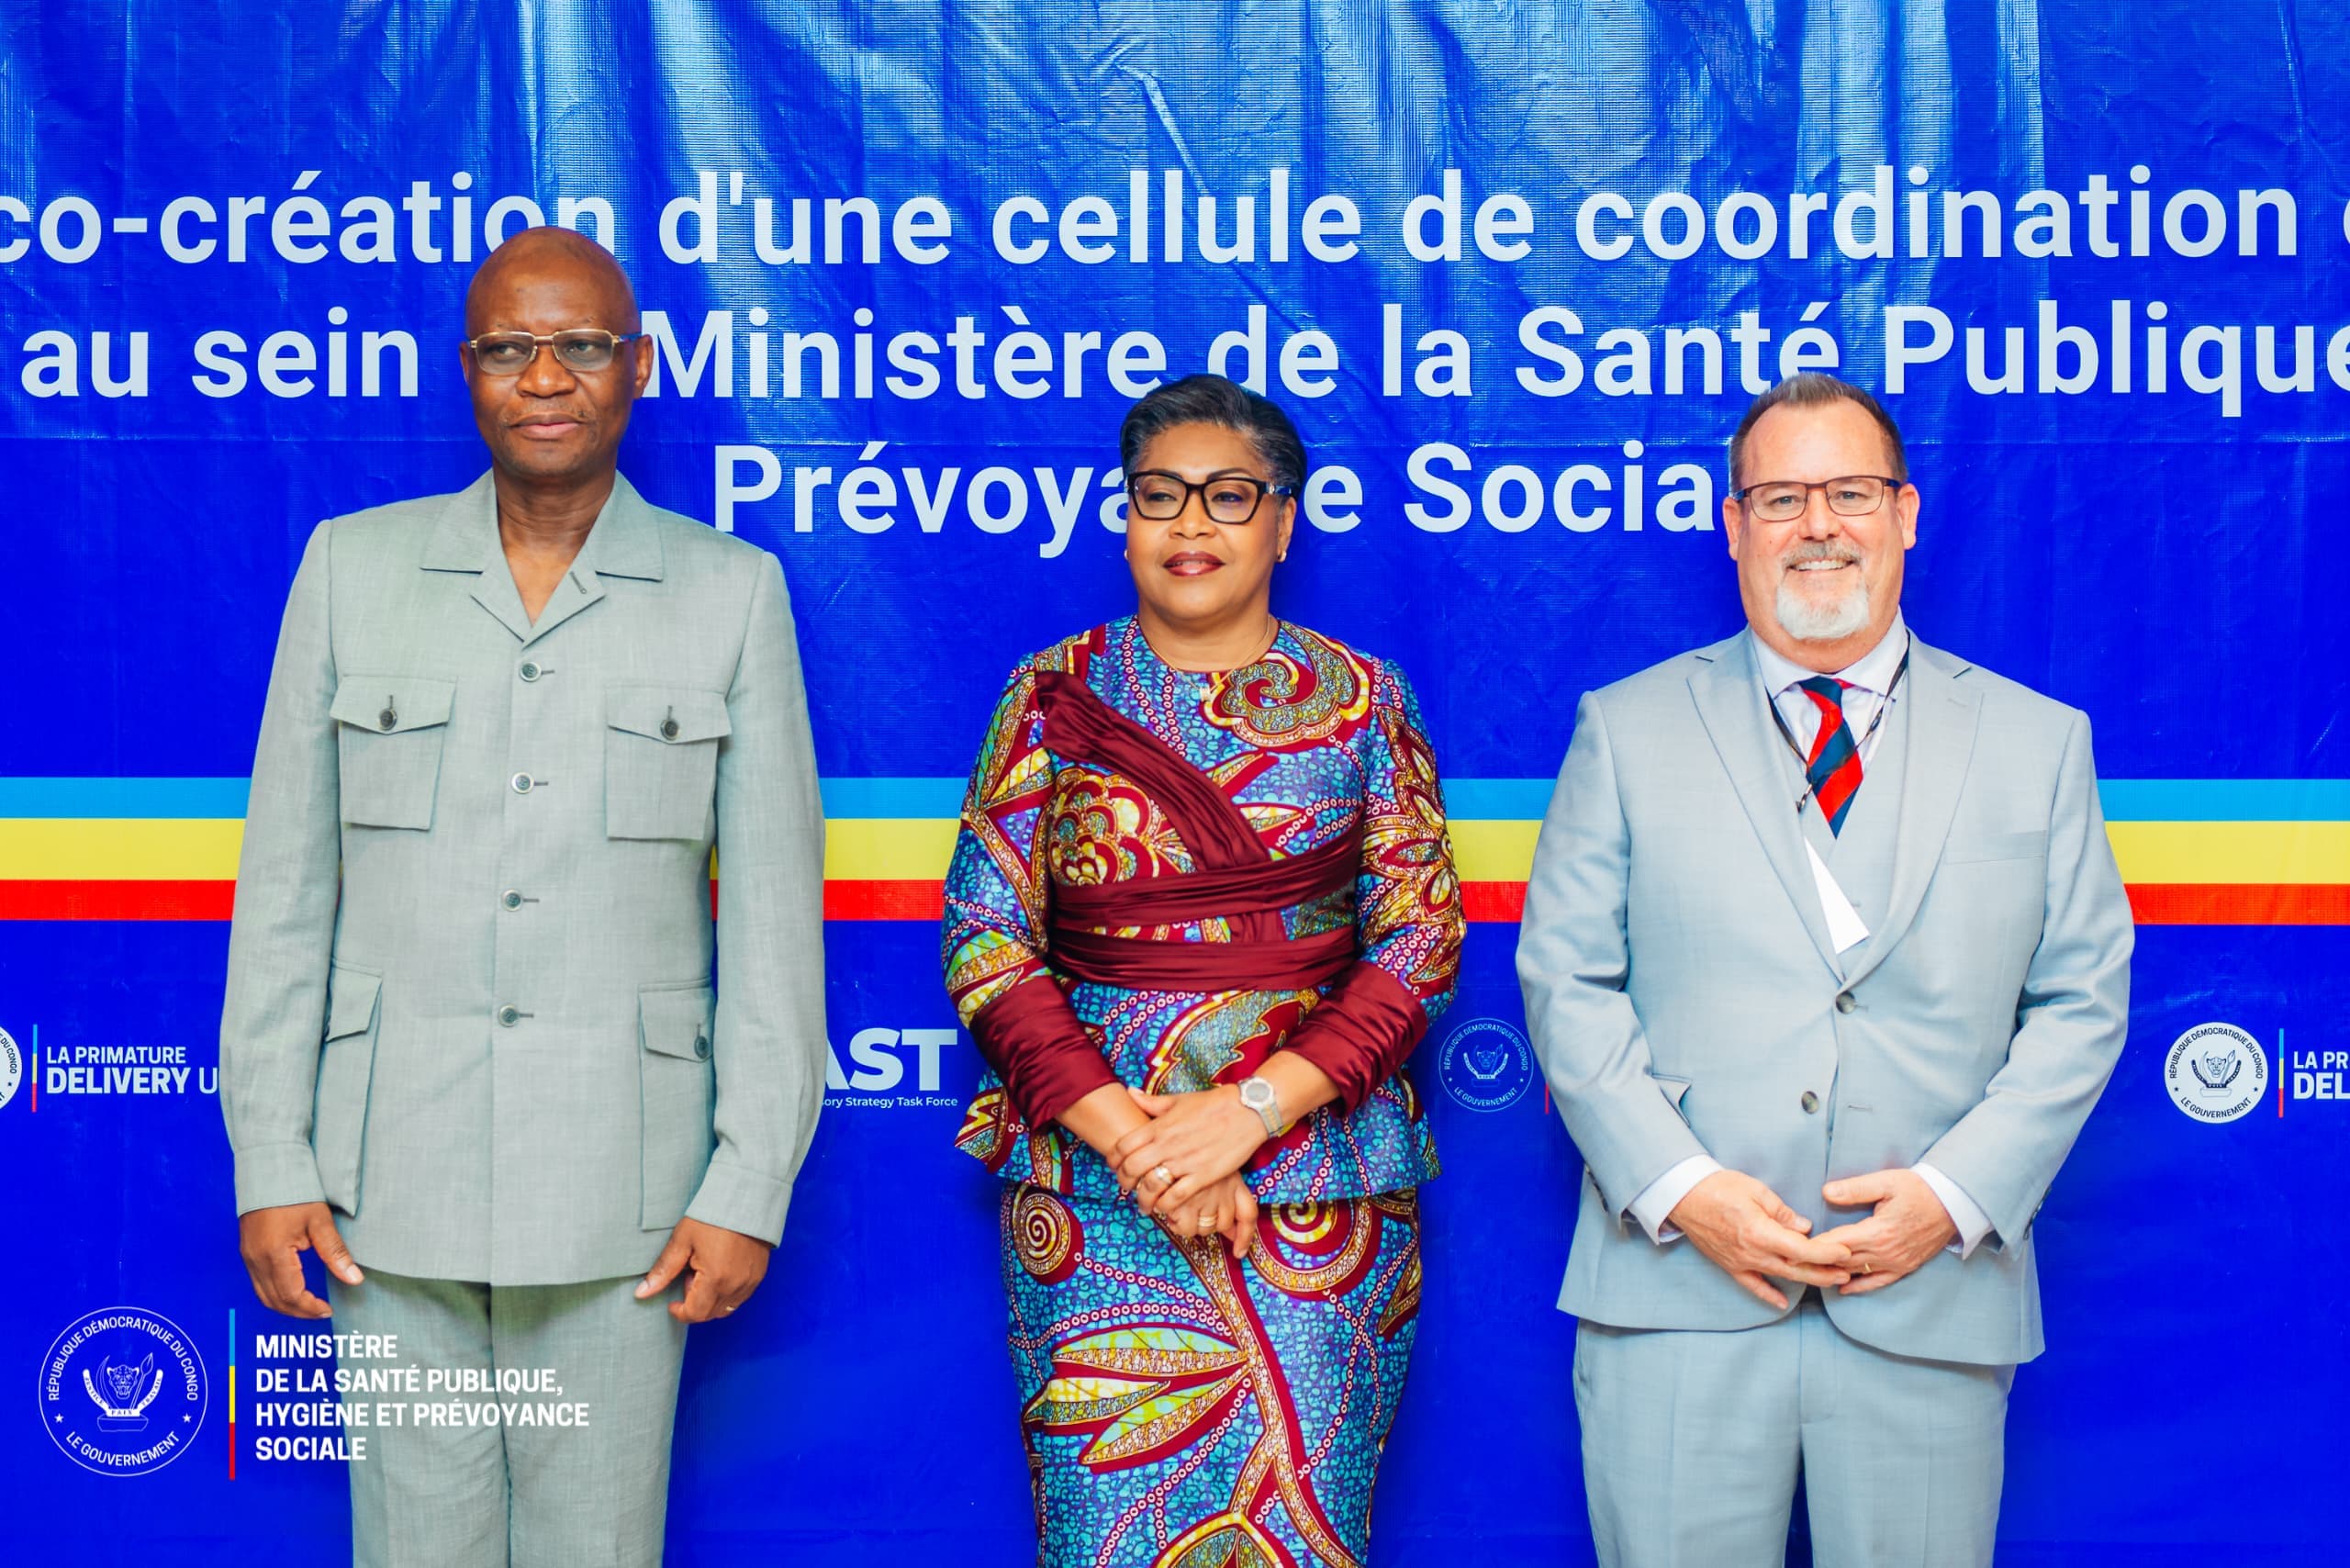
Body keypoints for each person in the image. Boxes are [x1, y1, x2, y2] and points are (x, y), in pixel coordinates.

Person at [219, 226, 827, 1567]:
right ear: (468, 371)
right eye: (509, 348)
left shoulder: (731, 595)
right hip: (386, 1192)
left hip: (631, 1196)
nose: (544, 376)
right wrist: (272, 1159)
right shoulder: (350, 569)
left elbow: (777, 933)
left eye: (582, 345)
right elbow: (283, 905)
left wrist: (746, 1184)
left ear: (639, 366)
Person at [1517, 372, 2132, 1567]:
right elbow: (1566, 981)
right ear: (1733, 523)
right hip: (1677, 1296)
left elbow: (2081, 999)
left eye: (1849, 492)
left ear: (1905, 513)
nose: (1817, 525)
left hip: (1933, 1299)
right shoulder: (1626, 728)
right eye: (1781, 496)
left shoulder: (2038, 743)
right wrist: (1682, 1188)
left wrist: (1950, 1201)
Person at [942, 374, 1463, 1567]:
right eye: (1159, 496)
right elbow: (986, 940)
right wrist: (1146, 1149)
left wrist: (1246, 1116)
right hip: (1091, 1198)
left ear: (1286, 520)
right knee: (1103, 1535)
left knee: (1300, 1537)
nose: (1191, 525)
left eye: (1229, 497)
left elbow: (1420, 940)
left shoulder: (1371, 703)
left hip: (1319, 1195)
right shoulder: (1044, 697)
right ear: (1123, 517)